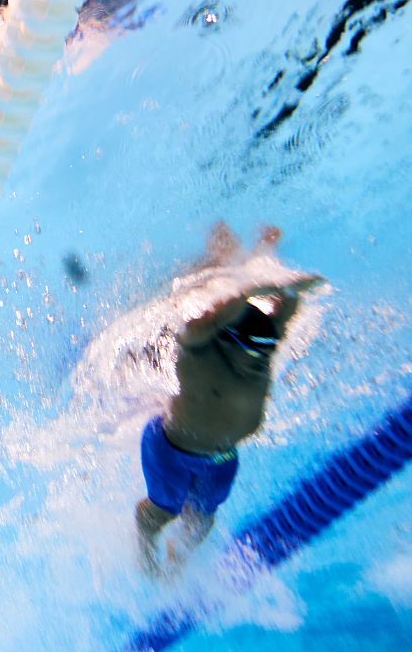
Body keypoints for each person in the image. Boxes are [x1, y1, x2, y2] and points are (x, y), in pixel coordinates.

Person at [134, 226, 323, 574]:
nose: (261, 360)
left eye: (267, 352)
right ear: (229, 340)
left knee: (203, 522)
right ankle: (145, 549)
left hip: (221, 460)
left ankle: (176, 566)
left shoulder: (261, 346)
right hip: (172, 449)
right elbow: (209, 318)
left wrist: (289, 285)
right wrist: (251, 287)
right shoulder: (200, 348)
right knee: (163, 511)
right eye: (252, 353)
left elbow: (284, 310)